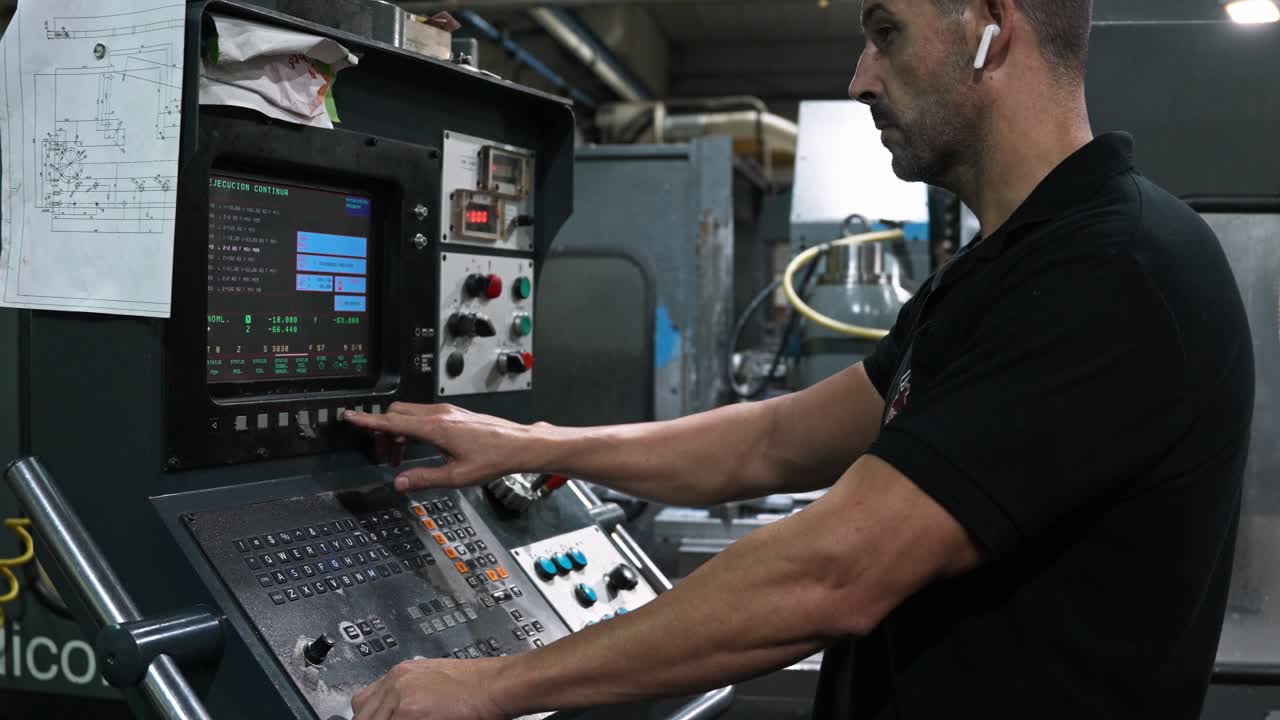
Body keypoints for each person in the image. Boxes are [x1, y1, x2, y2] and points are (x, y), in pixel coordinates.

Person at [344, 0, 1255, 718]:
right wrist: (536, 445)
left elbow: (834, 573)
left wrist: (493, 685)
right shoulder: (996, 273)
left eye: (885, 33)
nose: (860, 79)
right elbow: (772, 441)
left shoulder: (1113, 269)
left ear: (991, 25)